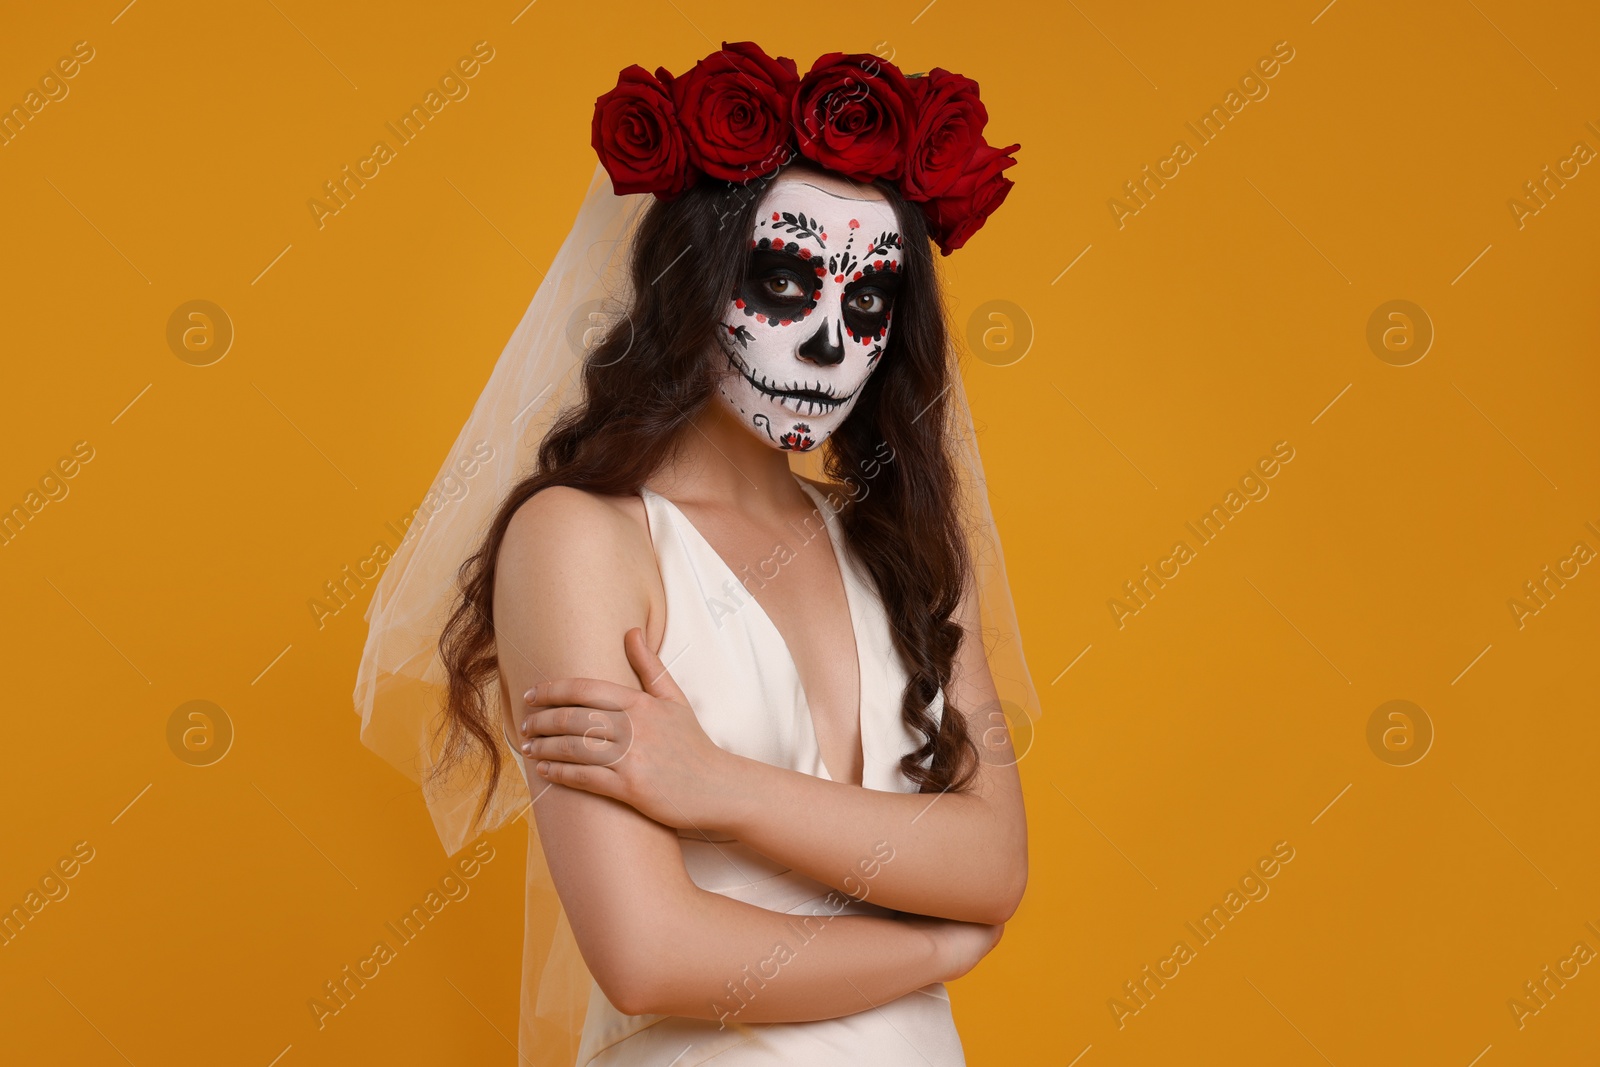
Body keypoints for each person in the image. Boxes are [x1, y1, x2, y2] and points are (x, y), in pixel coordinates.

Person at [356, 45, 1037, 1066]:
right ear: (688, 283)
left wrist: (719, 785)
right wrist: (935, 940)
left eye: (867, 302)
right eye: (782, 278)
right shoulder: (579, 540)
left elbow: (993, 863)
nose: (826, 342)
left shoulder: (906, 549)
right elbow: (649, 953)